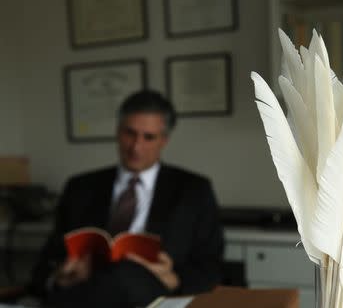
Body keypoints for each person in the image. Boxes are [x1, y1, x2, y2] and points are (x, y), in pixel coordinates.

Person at [30, 90, 224, 308]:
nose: (136, 147)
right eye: (129, 133)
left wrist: (175, 279)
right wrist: (59, 277)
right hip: (85, 290)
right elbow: (46, 264)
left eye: (148, 137)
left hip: (153, 295)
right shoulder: (80, 187)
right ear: (117, 132)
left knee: (125, 273)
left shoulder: (193, 190)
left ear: (164, 141)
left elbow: (211, 267)